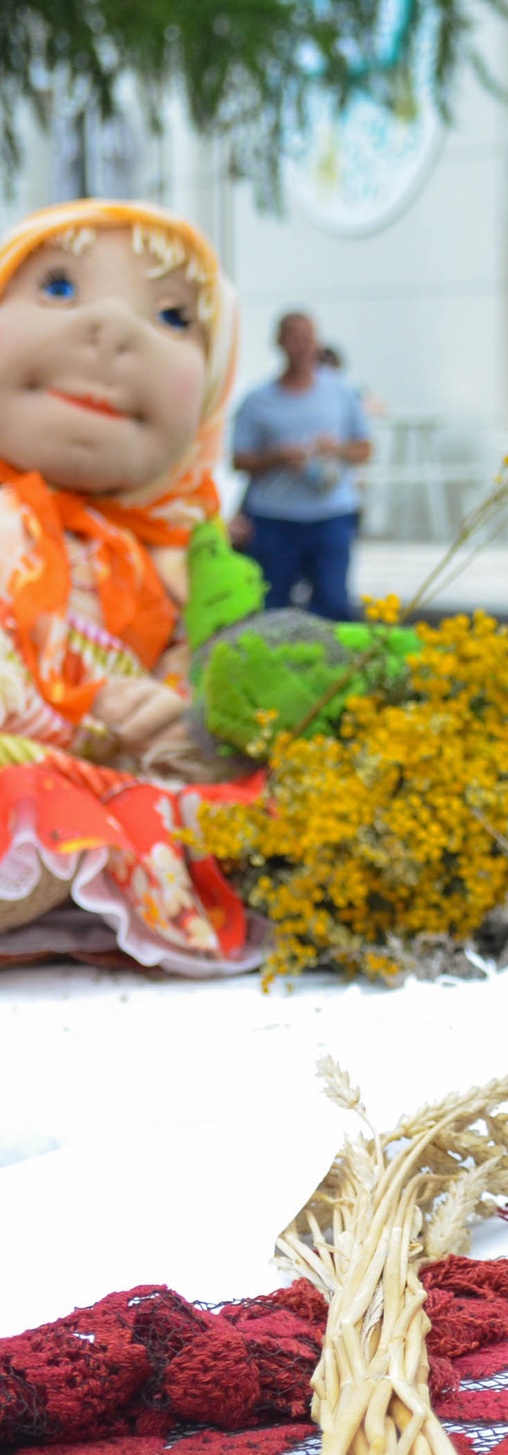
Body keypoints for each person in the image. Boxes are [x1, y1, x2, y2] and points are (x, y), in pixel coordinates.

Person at [0, 199, 268, 973]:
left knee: (230, 807)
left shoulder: (189, 564)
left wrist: (177, 722)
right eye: (56, 287)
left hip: (110, 793)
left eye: (174, 316)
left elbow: (212, 694)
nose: (113, 328)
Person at [232, 309, 369, 621]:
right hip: (274, 519)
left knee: (334, 603)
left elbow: (365, 448)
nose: (302, 344)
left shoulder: (342, 391)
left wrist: (336, 449)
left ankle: (335, 668)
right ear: (279, 342)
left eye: (308, 337)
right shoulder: (257, 399)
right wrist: (278, 457)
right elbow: (238, 460)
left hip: (332, 515)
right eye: (294, 336)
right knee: (271, 606)